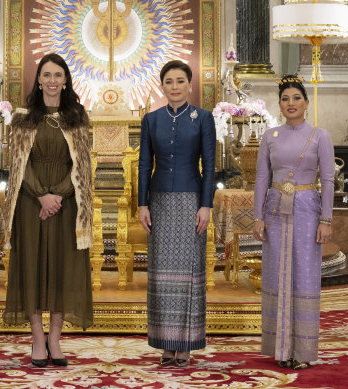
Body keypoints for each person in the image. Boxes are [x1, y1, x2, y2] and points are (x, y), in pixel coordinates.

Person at [3, 53, 93, 367]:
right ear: (38, 80)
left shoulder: (77, 116)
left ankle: (55, 339)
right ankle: (37, 338)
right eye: (47, 75)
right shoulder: (23, 116)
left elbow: (83, 164)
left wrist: (59, 196)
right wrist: (42, 195)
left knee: (61, 268)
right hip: (30, 204)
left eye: (58, 75)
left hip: (67, 205)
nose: (52, 80)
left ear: (66, 80)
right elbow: (18, 164)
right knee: (32, 266)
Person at [253, 75, 334, 370]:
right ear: (279, 104)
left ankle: (302, 351)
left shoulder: (319, 136)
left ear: (306, 103)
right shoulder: (270, 136)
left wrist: (326, 219)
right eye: (285, 99)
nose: (291, 103)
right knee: (276, 275)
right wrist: (257, 216)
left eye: (296, 98)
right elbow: (262, 177)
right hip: (275, 210)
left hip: (307, 209)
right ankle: (280, 348)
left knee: (303, 275)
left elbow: (327, 179)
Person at [138, 60, 216, 366]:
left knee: (189, 275)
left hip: (191, 202)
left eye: (180, 81)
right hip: (158, 203)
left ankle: (185, 345)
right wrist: (142, 204)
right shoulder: (152, 119)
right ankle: (165, 346)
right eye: (169, 81)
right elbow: (145, 164)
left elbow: (209, 165)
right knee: (161, 276)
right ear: (162, 86)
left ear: (190, 84)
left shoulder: (203, 118)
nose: (174, 86)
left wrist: (206, 205)